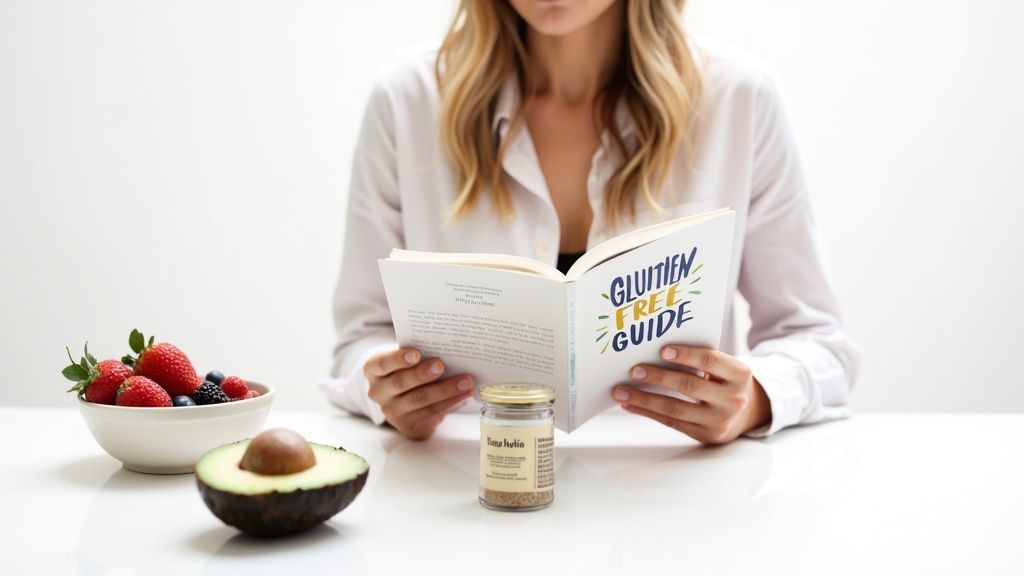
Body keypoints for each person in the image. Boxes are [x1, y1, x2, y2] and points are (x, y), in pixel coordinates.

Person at [320, 0, 861, 444]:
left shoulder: (740, 100)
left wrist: (754, 399)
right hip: (466, 483)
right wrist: (386, 394)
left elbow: (816, 341)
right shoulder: (407, 100)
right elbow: (360, 341)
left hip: (674, 498)